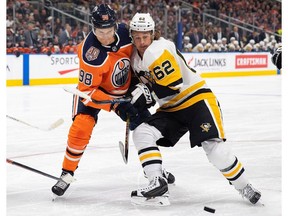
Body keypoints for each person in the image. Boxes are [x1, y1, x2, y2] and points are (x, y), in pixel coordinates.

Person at [128, 13, 261, 206]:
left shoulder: (159, 48)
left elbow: (173, 83)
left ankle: (244, 186)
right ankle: (157, 182)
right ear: (132, 36)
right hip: (171, 108)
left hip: (196, 99)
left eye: (145, 36)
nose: (142, 42)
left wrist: (146, 93)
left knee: (215, 151)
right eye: (137, 37)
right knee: (142, 133)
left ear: (153, 34)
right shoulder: (134, 59)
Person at [51, 4, 174, 197]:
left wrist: (139, 87)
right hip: (95, 93)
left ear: (115, 26)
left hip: (124, 90)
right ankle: (66, 173)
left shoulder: (127, 33)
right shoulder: (89, 53)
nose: (105, 36)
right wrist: (115, 105)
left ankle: (155, 171)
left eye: (109, 31)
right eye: (101, 31)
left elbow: (141, 54)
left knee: (144, 128)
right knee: (82, 126)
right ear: (93, 28)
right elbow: (88, 91)